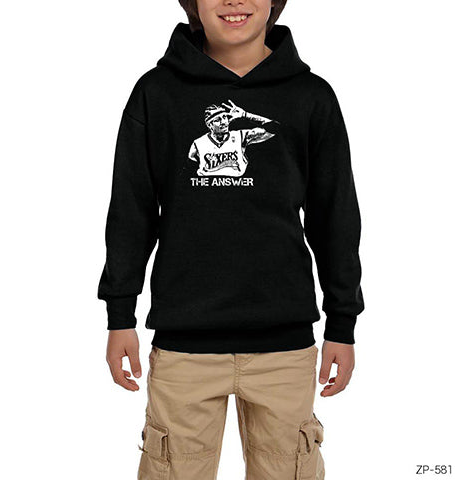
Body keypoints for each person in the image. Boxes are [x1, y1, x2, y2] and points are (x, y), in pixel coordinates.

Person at [97, 1, 365, 478]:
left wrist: (342, 323)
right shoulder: (156, 93)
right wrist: (120, 315)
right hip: (184, 343)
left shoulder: (310, 96)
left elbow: (335, 217)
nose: (234, 1)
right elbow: (131, 212)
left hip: (284, 346)